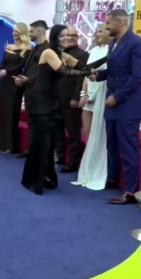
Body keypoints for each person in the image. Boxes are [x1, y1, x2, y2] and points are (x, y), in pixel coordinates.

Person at [21, 29, 92, 195]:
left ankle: (46, 177)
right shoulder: (49, 52)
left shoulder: (62, 55)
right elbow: (65, 72)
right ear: (55, 37)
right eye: (62, 35)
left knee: (49, 141)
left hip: (52, 101)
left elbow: (81, 66)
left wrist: (91, 68)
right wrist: (87, 72)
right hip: (41, 101)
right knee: (42, 142)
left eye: (69, 35)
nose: (66, 38)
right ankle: (34, 180)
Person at [89, 9, 141, 205]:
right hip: (113, 103)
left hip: (128, 104)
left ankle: (130, 191)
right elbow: (114, 71)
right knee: (112, 145)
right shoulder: (114, 42)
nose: (106, 26)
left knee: (128, 148)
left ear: (121, 22)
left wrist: (118, 97)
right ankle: (112, 179)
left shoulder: (136, 43)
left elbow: (137, 76)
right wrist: (98, 76)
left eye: (108, 23)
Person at [73, 24, 110, 189]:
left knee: (99, 133)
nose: (98, 34)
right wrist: (83, 94)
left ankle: (98, 169)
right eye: (97, 31)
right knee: (87, 131)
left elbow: (106, 76)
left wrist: (92, 95)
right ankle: (88, 166)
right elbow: (86, 74)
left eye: (101, 31)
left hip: (101, 94)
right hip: (88, 95)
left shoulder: (111, 51)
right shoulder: (93, 51)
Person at [13, 20, 51, 157]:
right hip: (30, 89)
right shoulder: (35, 48)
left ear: (40, 31)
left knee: (39, 122)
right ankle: (31, 150)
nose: (29, 34)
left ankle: (39, 152)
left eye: (32, 31)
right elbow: (30, 68)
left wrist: (28, 79)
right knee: (31, 122)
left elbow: (45, 71)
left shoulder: (48, 49)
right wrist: (23, 78)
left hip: (40, 91)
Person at [54, 26, 89, 173]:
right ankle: (60, 157)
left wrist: (76, 98)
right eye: (66, 35)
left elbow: (82, 77)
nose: (69, 38)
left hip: (71, 99)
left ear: (78, 38)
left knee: (73, 131)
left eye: (73, 35)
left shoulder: (83, 54)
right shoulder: (58, 53)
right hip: (56, 98)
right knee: (58, 130)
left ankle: (74, 162)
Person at [0, 23, 32, 154]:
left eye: (17, 31)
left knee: (12, 112)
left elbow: (22, 65)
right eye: (13, 31)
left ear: (22, 33)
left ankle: (11, 145)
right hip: (5, 82)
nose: (14, 33)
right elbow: (4, 63)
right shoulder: (8, 47)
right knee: (3, 111)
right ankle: (3, 143)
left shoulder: (28, 48)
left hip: (16, 82)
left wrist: (7, 71)